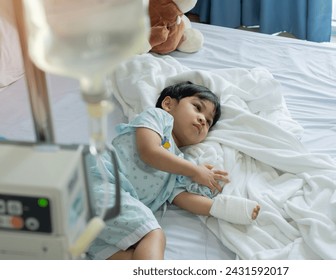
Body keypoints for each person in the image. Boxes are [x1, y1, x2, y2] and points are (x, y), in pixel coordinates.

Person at [86, 81, 260, 260]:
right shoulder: (157, 119)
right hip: (101, 185)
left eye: (208, 122)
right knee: (152, 235)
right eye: (197, 108)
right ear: (168, 104)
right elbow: (149, 151)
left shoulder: (179, 165)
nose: (202, 120)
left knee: (132, 257)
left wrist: (230, 208)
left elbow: (183, 199)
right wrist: (194, 171)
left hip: (97, 229)